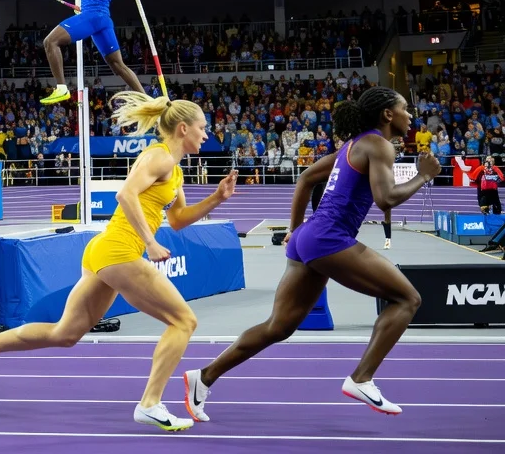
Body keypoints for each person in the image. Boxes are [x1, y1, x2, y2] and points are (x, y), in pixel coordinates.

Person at [0, 92, 237, 432]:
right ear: (184, 129)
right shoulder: (159, 157)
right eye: (203, 128)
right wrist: (150, 242)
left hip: (106, 251)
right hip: (119, 250)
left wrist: (217, 198)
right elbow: (125, 194)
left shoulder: (174, 171)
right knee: (183, 321)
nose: (206, 134)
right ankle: (150, 403)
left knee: (65, 333)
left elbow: (177, 219)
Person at [185, 87, 441, 420]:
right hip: (329, 239)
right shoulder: (379, 145)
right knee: (408, 299)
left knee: (278, 327)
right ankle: (361, 378)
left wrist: (294, 229)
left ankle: (203, 377)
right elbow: (386, 199)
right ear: (387, 114)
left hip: (308, 238)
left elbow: (305, 178)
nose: (410, 115)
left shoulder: (352, 146)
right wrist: (424, 175)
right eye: (405, 108)